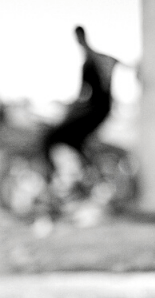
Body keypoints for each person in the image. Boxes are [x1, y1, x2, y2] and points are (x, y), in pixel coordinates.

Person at [41, 26, 119, 189]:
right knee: (73, 140)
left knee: (52, 137)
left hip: (95, 110)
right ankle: (86, 174)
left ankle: (53, 177)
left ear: (79, 37)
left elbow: (83, 94)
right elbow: (118, 64)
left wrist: (70, 107)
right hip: (101, 109)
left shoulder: (91, 61)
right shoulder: (99, 58)